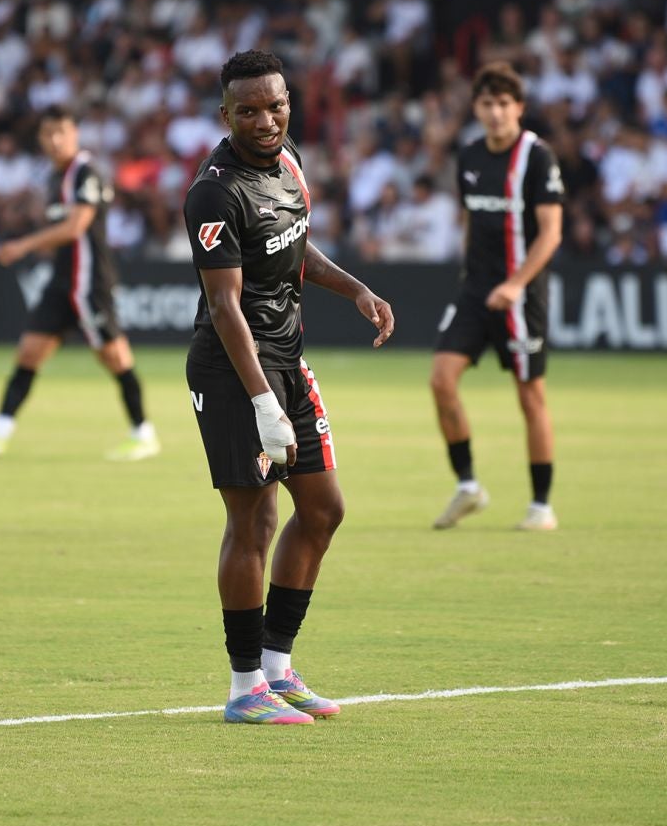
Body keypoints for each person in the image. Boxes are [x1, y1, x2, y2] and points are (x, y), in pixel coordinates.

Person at [184, 50, 395, 725]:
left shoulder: (290, 164)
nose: (265, 119)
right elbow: (224, 307)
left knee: (324, 509)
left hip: (287, 355)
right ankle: (246, 687)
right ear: (226, 115)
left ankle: (279, 669)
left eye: (275, 106)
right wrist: (261, 402)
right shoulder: (213, 191)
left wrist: (355, 288)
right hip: (231, 368)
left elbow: (297, 248)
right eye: (248, 110)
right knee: (254, 520)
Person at [0, 106, 159, 462]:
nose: (55, 140)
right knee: (29, 352)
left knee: (115, 357)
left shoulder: (86, 173)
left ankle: (143, 433)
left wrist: (22, 245)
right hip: (62, 282)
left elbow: (76, 226)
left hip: (89, 282)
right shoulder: (54, 177)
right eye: (48, 133)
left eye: (62, 131)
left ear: (75, 134)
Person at [429, 63, 567, 533]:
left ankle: (541, 506)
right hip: (475, 291)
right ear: (476, 108)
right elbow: (472, 222)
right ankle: (468, 486)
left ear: (519, 109)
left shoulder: (538, 158)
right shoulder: (468, 157)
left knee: (531, 397)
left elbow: (551, 234)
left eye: (504, 104)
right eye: (487, 104)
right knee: (441, 380)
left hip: (521, 296)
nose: (495, 113)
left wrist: (515, 284)